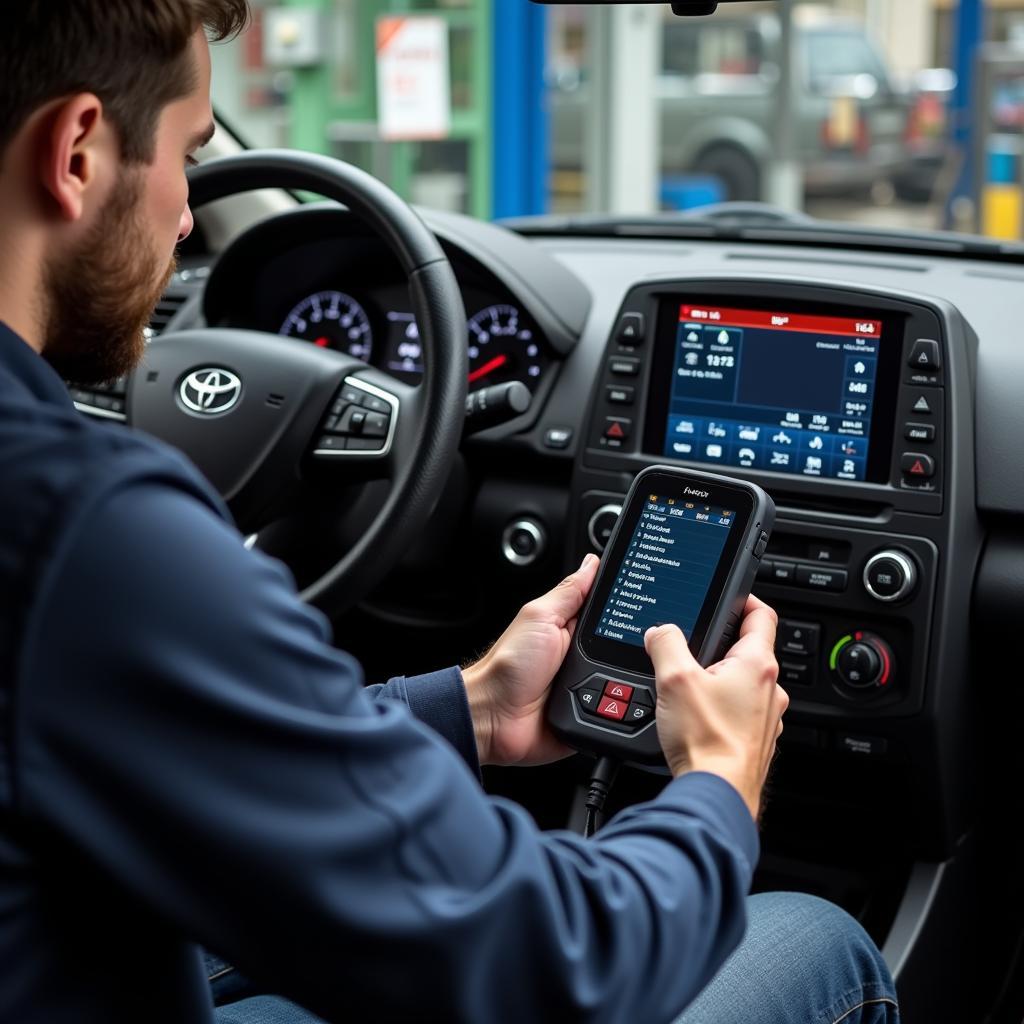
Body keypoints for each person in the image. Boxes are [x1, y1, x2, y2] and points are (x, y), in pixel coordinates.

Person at [0, 3, 898, 1023]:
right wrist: (718, 785)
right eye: (186, 157)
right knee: (824, 945)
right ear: (75, 152)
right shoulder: (93, 533)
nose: (191, 221)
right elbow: (564, 965)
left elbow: (169, 749)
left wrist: (468, 707)